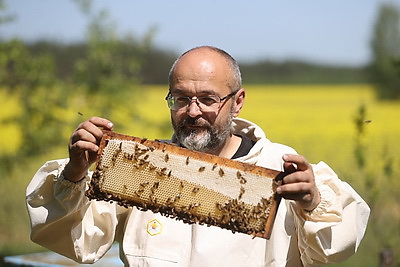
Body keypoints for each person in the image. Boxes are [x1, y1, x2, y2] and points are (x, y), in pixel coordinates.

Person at [26, 46, 370, 266]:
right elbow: (76, 241)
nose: (193, 111)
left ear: (237, 101)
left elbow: (332, 251)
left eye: (208, 99)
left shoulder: (280, 166)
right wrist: (73, 175)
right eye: (180, 99)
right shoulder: (140, 167)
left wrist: (312, 203)